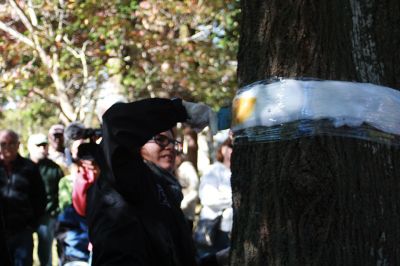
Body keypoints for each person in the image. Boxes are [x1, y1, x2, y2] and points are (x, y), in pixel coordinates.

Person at [87, 98, 228, 266]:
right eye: (160, 139)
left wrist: (216, 261)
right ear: (137, 145)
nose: (169, 147)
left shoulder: (167, 191)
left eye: (174, 142)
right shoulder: (126, 176)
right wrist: (179, 110)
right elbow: (116, 122)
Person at [0, 129, 46, 265]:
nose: (7, 147)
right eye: (3, 144)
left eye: (12, 143)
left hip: (22, 231)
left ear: (18, 145)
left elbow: (40, 197)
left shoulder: (29, 167)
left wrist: (31, 223)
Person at [27, 133, 65, 266]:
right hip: (24, 216)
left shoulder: (54, 168)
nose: (43, 148)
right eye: (39, 146)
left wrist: (55, 212)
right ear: (30, 147)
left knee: (45, 251)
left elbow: (61, 193)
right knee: (24, 252)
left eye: (45, 145)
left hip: (47, 215)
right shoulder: (21, 166)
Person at [196, 138, 233, 255]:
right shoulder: (213, 170)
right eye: (231, 146)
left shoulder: (239, 172)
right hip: (213, 229)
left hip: (232, 230)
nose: (233, 150)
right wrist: (233, 199)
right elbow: (209, 199)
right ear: (223, 149)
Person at [175, 151, 199, 230]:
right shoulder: (176, 168)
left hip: (186, 215)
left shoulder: (186, 167)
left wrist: (183, 204)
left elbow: (195, 189)